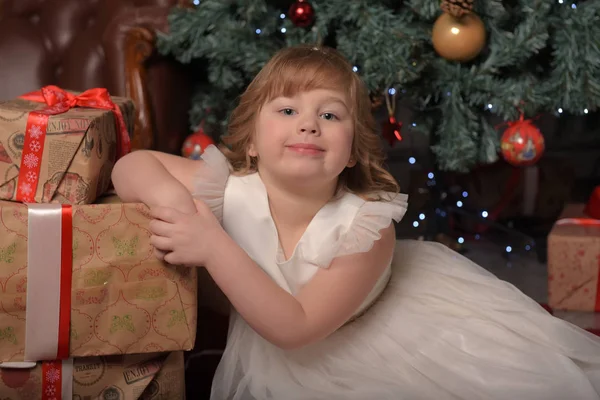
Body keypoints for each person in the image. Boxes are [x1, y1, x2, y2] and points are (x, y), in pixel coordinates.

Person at [111, 45, 600, 400]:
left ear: (350, 154)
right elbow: (129, 166)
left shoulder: (366, 228)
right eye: (287, 110)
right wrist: (173, 202)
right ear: (252, 144)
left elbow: (296, 328)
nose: (309, 123)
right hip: (282, 338)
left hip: (371, 337)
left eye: (330, 114)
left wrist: (211, 244)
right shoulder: (230, 186)